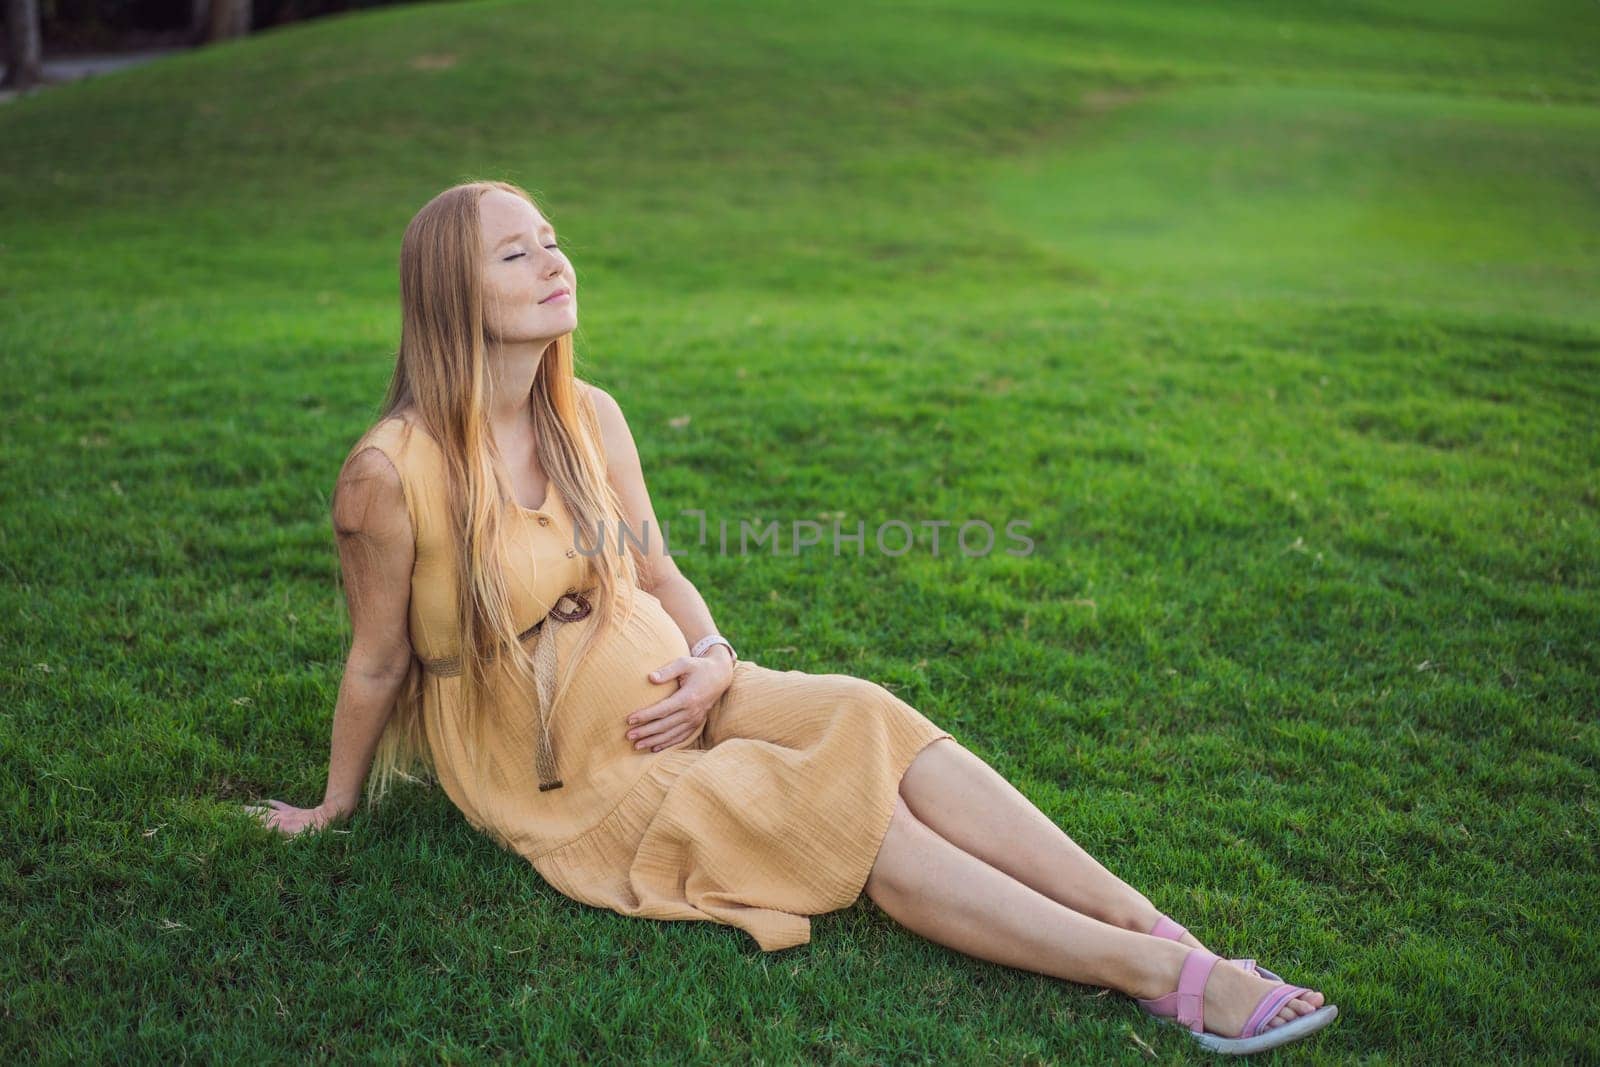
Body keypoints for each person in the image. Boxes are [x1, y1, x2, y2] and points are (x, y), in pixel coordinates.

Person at [245, 180, 1337, 1055]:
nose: (554, 261)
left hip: (683, 687)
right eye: (516, 251)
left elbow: (660, 574)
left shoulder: (590, 415)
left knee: (871, 715)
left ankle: (1157, 926)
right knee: (850, 816)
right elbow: (379, 659)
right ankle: (1166, 982)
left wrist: (714, 658)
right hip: (573, 767)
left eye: (554, 238)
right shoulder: (389, 475)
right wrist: (334, 802)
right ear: (450, 292)